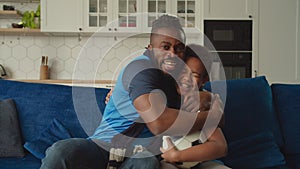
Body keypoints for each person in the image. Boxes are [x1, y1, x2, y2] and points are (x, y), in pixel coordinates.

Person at [40, 15, 224, 169]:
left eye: (179, 48)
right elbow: (159, 123)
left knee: (147, 162)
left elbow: (198, 87)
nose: (173, 54)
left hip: (138, 155)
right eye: (165, 47)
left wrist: (206, 98)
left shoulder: (176, 77)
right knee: (61, 151)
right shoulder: (141, 70)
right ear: (150, 49)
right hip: (104, 146)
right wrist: (212, 115)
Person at [160, 44, 229, 169]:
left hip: (196, 162)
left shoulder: (201, 102)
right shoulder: (163, 95)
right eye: (181, 71)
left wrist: (177, 156)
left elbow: (220, 146)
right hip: (166, 162)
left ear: (204, 80)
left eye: (195, 75)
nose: (186, 78)